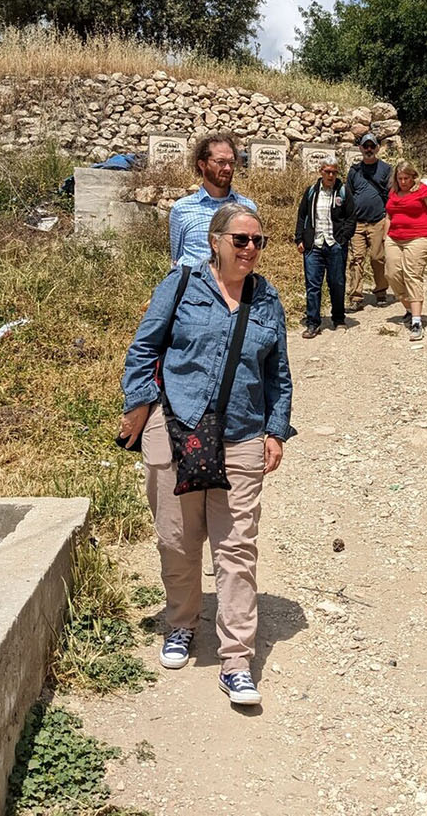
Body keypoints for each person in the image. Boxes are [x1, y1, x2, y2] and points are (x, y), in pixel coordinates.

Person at [120, 203, 295, 708]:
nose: (250, 249)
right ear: (215, 240)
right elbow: (143, 350)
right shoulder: (179, 286)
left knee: (237, 547)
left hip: (241, 434)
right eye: (240, 239)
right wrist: (138, 406)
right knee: (177, 540)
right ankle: (181, 624)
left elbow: (278, 375)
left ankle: (236, 658)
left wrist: (275, 431)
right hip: (175, 427)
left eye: (258, 241)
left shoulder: (267, 300)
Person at [168, 134, 257, 267]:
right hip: (193, 285)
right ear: (202, 164)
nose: (227, 168)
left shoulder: (247, 208)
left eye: (231, 163)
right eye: (221, 162)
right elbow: (177, 258)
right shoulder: (182, 209)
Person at [384, 160, 427, 342]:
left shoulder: (422, 191)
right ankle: (409, 307)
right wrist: (384, 237)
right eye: (400, 178)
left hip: (419, 237)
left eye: (406, 178)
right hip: (394, 237)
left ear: (414, 177)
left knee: (412, 274)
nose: (403, 181)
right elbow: (389, 215)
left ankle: (416, 321)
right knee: (391, 274)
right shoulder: (394, 192)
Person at [293, 157, 355, 339]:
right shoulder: (311, 192)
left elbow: (351, 217)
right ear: (320, 171)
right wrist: (299, 239)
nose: (330, 175)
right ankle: (313, 323)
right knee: (313, 285)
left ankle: (338, 318)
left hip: (335, 246)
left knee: (337, 283)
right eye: (327, 171)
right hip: (314, 246)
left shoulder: (343, 191)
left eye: (334, 172)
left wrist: (342, 239)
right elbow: (301, 216)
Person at [344, 131, 393, 311]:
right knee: (356, 259)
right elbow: (348, 194)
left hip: (378, 221)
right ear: (360, 148)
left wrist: (390, 219)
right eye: (366, 146)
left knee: (377, 257)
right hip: (357, 222)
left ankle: (381, 292)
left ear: (378, 148)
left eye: (372, 146)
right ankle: (356, 296)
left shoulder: (386, 169)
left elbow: (391, 195)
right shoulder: (354, 170)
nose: (369, 149)